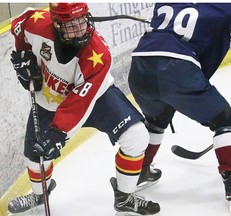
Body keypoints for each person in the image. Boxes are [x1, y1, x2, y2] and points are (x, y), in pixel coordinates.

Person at [8, 3, 160, 215]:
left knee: (136, 136)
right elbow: (19, 26)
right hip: (51, 99)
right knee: (35, 157)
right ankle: (39, 195)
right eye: (71, 25)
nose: (80, 29)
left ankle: (125, 197)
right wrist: (24, 58)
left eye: (82, 21)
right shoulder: (36, 24)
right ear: (56, 24)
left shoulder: (98, 56)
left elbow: (80, 102)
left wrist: (58, 133)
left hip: (98, 97)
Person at [128, 3, 231, 213]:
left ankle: (140, 170)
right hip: (177, 69)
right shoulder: (227, 9)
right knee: (224, 120)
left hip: (139, 68)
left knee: (157, 119)